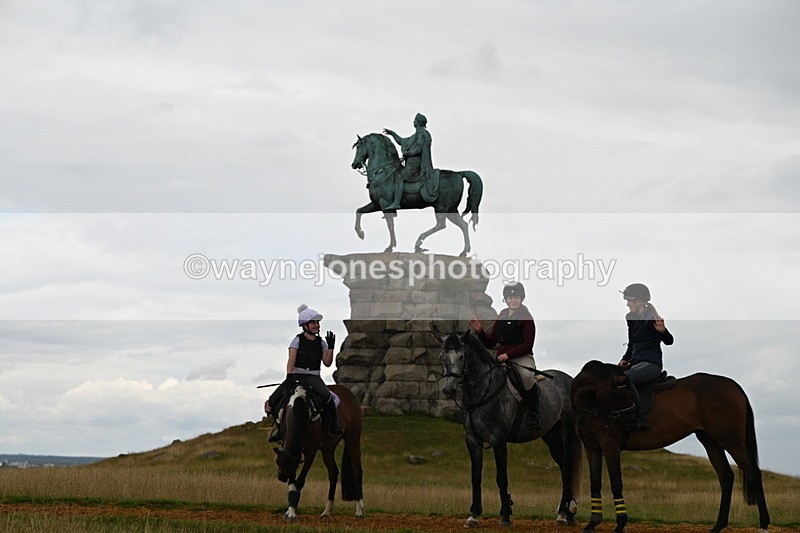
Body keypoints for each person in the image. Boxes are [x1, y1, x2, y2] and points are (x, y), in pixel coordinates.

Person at [469, 281, 540, 431]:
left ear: (521, 299)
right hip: (502, 358)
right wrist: (480, 331)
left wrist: (508, 354)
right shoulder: (501, 316)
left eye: (516, 298)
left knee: (526, 376)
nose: (513, 300)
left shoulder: (526, 318)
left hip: (522, 357)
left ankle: (534, 413)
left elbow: (528, 344)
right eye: (509, 298)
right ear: (505, 299)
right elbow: (490, 343)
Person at [266, 304, 343, 441]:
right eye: (313, 322)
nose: (317, 325)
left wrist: (331, 348)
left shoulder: (321, 343)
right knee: (273, 399)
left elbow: (327, 362)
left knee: (326, 396)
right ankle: (279, 429)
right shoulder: (297, 341)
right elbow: (291, 360)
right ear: (305, 325)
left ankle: (334, 424)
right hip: (296, 374)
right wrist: (289, 376)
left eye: (317, 322)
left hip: (313, 376)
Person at [617, 283, 674, 430]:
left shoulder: (652, 318)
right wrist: (624, 359)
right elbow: (632, 343)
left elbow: (669, 341)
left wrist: (662, 331)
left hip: (651, 363)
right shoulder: (631, 318)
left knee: (625, 379)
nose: (628, 304)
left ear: (639, 301)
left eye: (630, 301)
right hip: (635, 362)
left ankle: (640, 419)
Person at [382, 112, 434, 210]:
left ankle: (397, 203)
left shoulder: (423, 134)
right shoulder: (415, 135)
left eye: (415, 119)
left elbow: (419, 149)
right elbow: (402, 141)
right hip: (411, 164)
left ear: (418, 122)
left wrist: (407, 154)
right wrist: (392, 133)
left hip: (416, 164)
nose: (413, 121)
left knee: (400, 177)